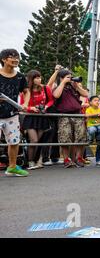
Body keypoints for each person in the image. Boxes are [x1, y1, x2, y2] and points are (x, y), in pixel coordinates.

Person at [0, 49, 30, 177]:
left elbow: (26, 91)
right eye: (12, 57)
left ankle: (12, 167)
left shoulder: (20, 77)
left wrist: (25, 104)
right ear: (4, 59)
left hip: (12, 114)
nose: (16, 59)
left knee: (14, 141)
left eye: (17, 57)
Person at [52, 69, 89, 168]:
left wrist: (76, 86)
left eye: (71, 76)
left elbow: (86, 94)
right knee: (65, 137)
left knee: (81, 136)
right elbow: (56, 95)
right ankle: (66, 159)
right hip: (64, 115)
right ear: (61, 78)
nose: (70, 78)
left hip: (77, 114)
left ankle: (79, 158)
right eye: (68, 77)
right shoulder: (57, 86)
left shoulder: (73, 87)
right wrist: (63, 82)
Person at [20, 70, 54, 170]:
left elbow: (51, 100)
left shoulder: (45, 88)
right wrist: (31, 108)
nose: (39, 80)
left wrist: (46, 106)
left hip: (42, 116)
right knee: (33, 140)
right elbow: (22, 104)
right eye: (36, 78)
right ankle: (30, 162)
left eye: (40, 77)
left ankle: (36, 161)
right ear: (31, 79)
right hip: (30, 117)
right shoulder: (26, 90)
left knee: (39, 141)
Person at [86, 96, 100, 166]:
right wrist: (96, 115)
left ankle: (98, 138)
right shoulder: (89, 109)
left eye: (98, 100)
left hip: (99, 125)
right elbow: (87, 115)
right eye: (95, 100)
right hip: (91, 126)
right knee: (92, 130)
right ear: (90, 102)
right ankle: (91, 139)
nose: (97, 102)